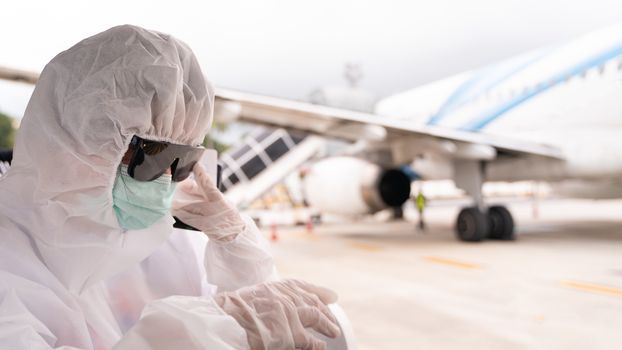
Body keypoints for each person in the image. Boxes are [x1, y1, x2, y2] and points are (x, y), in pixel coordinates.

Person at [0, 25, 340, 350]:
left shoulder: (151, 239)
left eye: (183, 160)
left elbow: (261, 323)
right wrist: (197, 333)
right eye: (151, 155)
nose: (166, 179)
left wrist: (237, 246)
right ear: (69, 142)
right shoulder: (10, 262)